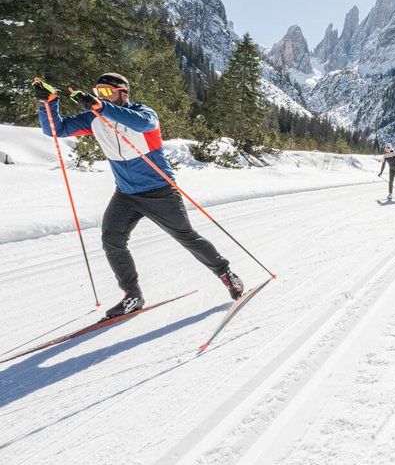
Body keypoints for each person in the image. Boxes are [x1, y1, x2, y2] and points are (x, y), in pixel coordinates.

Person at [35, 72, 244, 319]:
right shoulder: (94, 118)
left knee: (185, 236)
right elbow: (55, 129)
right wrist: (48, 102)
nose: (102, 96)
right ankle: (132, 296)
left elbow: (144, 125)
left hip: (160, 191)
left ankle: (225, 273)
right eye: (98, 92)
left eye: (107, 92)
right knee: (112, 239)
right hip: (126, 194)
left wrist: (101, 107)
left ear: (123, 93)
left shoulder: (143, 113)